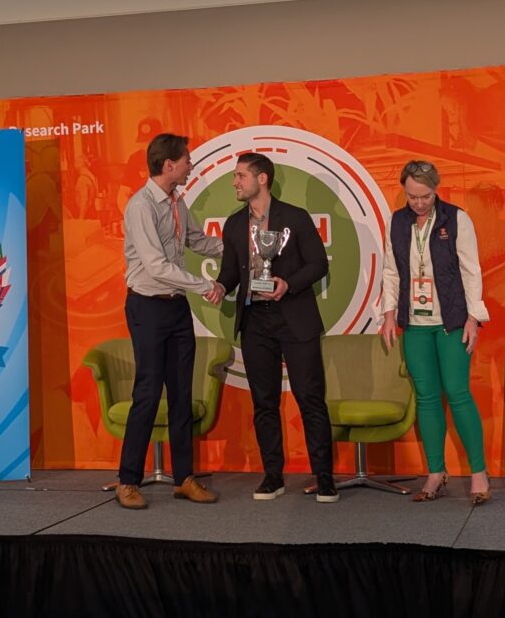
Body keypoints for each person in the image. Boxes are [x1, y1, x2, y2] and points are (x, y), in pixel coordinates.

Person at [214, 152, 338, 503]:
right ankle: (272, 476)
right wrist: (222, 286)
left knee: (310, 398)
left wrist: (288, 283)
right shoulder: (234, 224)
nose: (235, 182)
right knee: (263, 402)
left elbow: (317, 265)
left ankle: (324, 477)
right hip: (255, 321)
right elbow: (229, 271)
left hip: (295, 318)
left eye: (240, 176)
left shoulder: (294, 218)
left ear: (262, 179)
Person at [116, 133, 227, 510]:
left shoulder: (178, 202)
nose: (190, 165)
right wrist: (206, 285)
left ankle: (184, 478)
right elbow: (156, 267)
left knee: (182, 392)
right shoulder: (141, 206)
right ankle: (128, 480)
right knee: (147, 393)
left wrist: (244, 244)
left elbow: (199, 242)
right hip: (147, 306)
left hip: (177, 308)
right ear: (169, 166)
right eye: (186, 160)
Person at [379, 160, 492, 505]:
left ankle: (479, 473)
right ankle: (435, 472)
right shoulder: (398, 222)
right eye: (412, 196)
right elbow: (391, 271)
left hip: (452, 322)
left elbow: (471, 271)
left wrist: (473, 317)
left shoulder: (456, 219)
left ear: (435, 189)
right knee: (427, 398)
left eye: (425, 196)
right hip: (415, 324)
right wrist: (387, 313)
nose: (419, 203)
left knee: (458, 393)